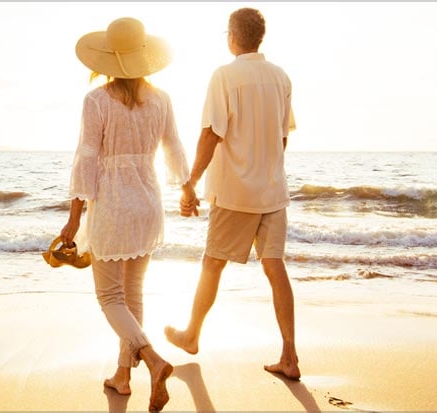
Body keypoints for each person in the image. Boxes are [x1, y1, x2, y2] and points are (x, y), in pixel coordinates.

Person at [60, 16, 190, 412]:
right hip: (148, 201)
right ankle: (122, 375)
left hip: (114, 204)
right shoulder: (161, 99)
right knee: (133, 293)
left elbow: (87, 157)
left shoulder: (97, 100)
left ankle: (151, 359)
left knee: (110, 296)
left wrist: (74, 217)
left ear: (108, 58)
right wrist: (186, 188)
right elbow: (173, 146)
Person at [164, 7, 301, 380]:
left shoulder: (224, 76)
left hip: (236, 192)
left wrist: (191, 182)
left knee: (213, 263)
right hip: (273, 191)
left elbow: (211, 134)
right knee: (275, 267)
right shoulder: (281, 77)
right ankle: (289, 355)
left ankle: (192, 335)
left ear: (233, 36)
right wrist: (269, 170)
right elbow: (282, 137)